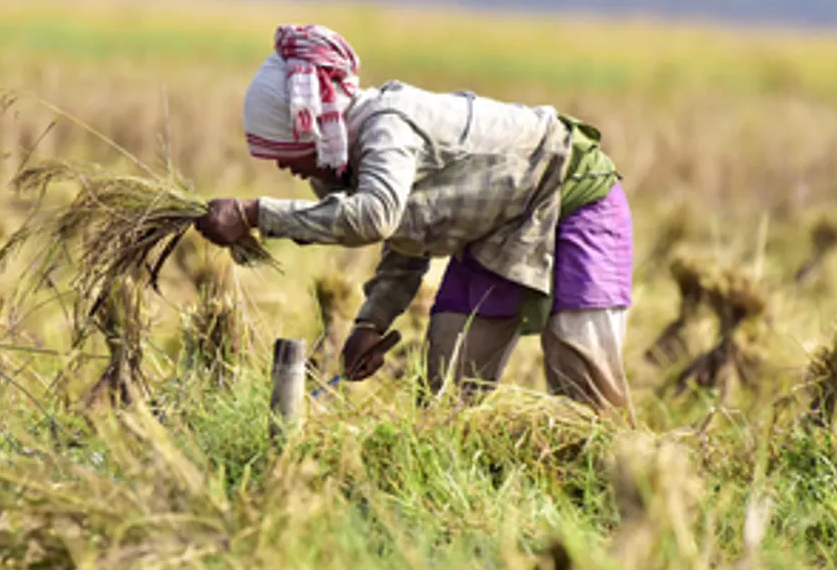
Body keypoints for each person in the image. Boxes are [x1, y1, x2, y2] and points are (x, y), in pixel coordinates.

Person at [195, 24, 635, 417]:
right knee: (445, 390)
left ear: (312, 130)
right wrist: (372, 324)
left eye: (288, 153)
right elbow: (407, 235)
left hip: (571, 192)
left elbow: (375, 218)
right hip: (494, 228)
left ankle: (623, 481)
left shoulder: (389, 125)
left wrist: (255, 213)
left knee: (582, 374)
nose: (286, 168)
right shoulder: (337, 169)